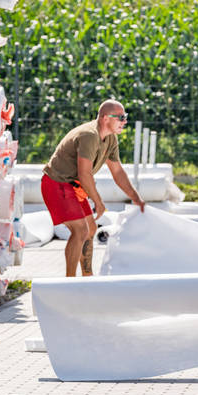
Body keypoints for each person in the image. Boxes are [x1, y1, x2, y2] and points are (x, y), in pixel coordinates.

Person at [41, 100, 145, 276]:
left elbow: (118, 171)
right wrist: (98, 201)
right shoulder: (90, 135)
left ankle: (87, 275)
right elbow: (85, 174)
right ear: (105, 118)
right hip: (56, 183)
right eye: (120, 117)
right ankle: (69, 282)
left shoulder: (110, 138)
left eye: (125, 117)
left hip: (73, 184)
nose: (125, 121)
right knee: (80, 230)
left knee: (90, 228)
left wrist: (136, 198)